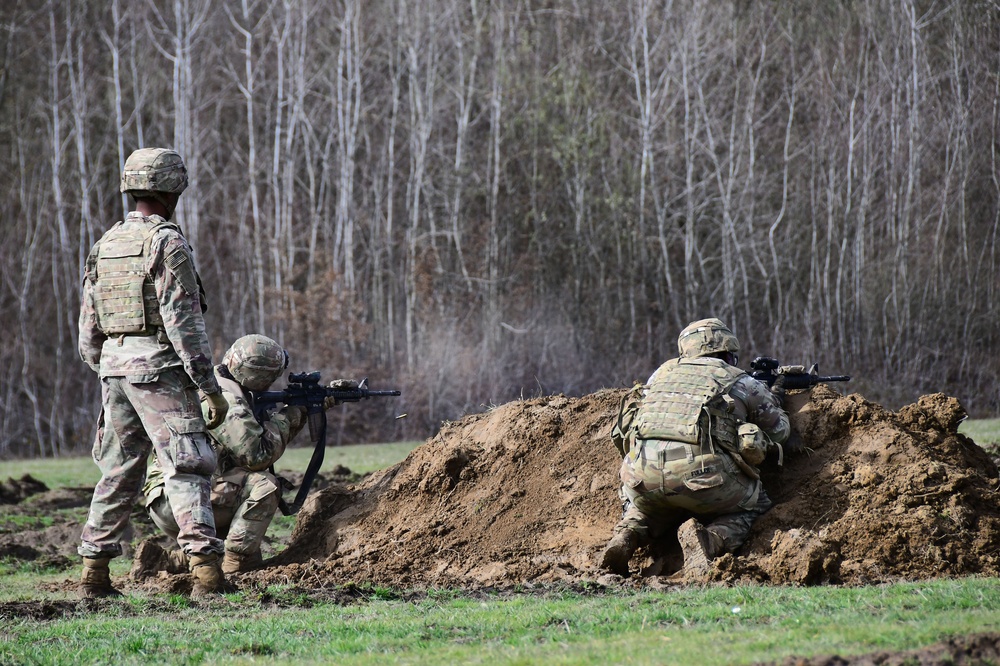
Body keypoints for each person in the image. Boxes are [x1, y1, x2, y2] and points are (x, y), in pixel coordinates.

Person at [78, 147, 229, 597]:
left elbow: (89, 329)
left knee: (118, 472)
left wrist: (110, 366)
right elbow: (185, 325)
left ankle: (94, 575)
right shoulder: (167, 242)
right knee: (186, 465)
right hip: (160, 372)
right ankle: (207, 575)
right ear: (173, 188)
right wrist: (208, 387)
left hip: (115, 370)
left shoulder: (105, 244)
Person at [137, 334, 351, 576]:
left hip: (175, 495)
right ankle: (234, 568)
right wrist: (293, 414)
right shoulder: (229, 402)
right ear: (261, 377)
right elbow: (257, 456)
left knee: (251, 543)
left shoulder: (215, 385)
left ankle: (167, 561)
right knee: (265, 487)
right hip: (183, 500)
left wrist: (307, 407)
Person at [599, 318, 791, 578]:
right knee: (754, 505)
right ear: (727, 352)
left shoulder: (660, 375)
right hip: (704, 482)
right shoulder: (740, 381)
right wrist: (776, 397)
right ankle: (709, 540)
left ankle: (626, 536)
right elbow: (779, 431)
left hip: (641, 477)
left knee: (644, 509)